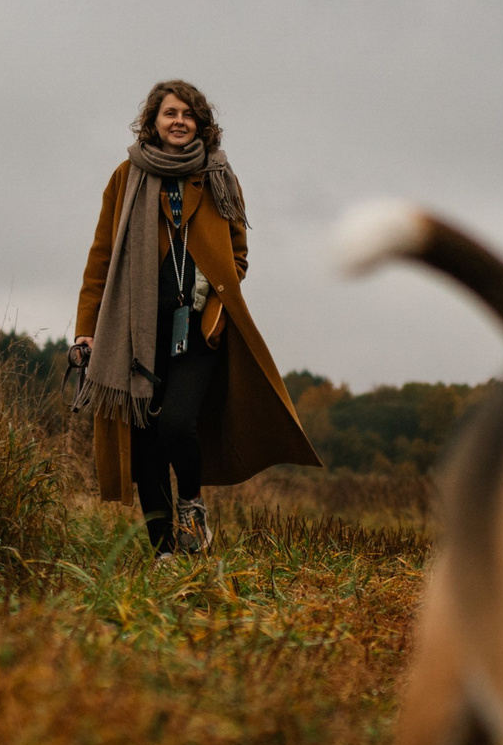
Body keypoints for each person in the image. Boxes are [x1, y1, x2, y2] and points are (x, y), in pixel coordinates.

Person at [72, 80, 320, 555]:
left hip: (200, 331)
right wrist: (86, 327)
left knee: (176, 425)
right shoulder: (126, 177)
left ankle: (191, 504)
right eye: (170, 113)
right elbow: (101, 257)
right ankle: (164, 551)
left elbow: (239, 256)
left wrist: (219, 302)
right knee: (144, 442)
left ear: (201, 124)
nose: (179, 121)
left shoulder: (219, 177)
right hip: (134, 333)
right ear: (153, 122)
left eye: (188, 114)